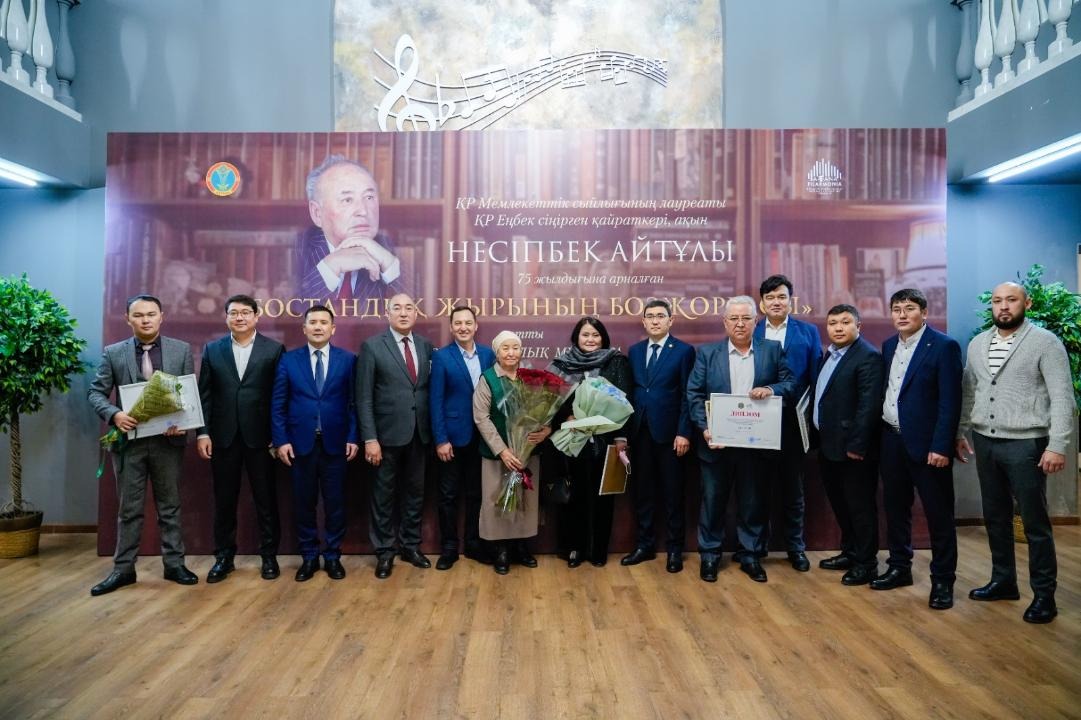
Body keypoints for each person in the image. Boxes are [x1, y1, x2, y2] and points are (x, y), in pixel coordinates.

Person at [956, 282, 1073, 624]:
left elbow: (1062, 396)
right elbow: (969, 390)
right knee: (995, 517)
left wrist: (1057, 444)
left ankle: (1044, 596)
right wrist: (960, 431)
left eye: (1011, 300)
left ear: (1027, 303)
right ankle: (1004, 581)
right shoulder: (978, 344)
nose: (1003, 306)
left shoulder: (1045, 342)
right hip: (985, 441)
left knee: (1034, 523)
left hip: (1027, 444)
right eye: (997, 301)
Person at [88, 294, 198, 596]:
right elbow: (96, 393)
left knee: (170, 507)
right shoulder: (113, 353)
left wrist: (184, 421)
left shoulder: (181, 350)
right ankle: (123, 569)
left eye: (151, 314)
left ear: (162, 316)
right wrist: (115, 414)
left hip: (168, 442)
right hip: (129, 444)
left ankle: (174, 565)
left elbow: (189, 394)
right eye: (138, 315)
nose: (145, 320)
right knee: (129, 509)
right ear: (128, 319)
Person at [687, 296, 794, 584]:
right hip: (716, 443)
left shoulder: (772, 350)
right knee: (713, 501)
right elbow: (694, 394)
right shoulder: (707, 353)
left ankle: (750, 555)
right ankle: (710, 555)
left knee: (753, 502)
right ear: (725, 322)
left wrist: (771, 390)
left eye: (746, 318)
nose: (739, 323)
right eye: (733, 318)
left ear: (755, 322)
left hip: (756, 444)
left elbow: (790, 383)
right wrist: (705, 428)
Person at [873, 289, 962, 610]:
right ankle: (899, 568)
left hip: (928, 447)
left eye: (909, 308)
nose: (901, 314)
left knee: (939, 515)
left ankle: (943, 581)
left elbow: (950, 401)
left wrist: (942, 446)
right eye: (896, 309)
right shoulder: (888, 345)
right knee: (896, 509)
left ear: (924, 312)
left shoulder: (944, 346)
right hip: (891, 440)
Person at [197, 294, 285, 583]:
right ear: (226, 318)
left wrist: (278, 436)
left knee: (266, 500)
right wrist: (203, 432)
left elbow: (280, 397)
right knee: (224, 500)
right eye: (233, 313)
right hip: (223, 437)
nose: (239, 317)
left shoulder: (274, 349)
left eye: (245, 312)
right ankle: (224, 557)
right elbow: (204, 395)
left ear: (256, 316)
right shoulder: (212, 349)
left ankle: (269, 556)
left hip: (262, 438)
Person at [271, 305, 358, 582]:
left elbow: (354, 402)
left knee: (335, 504)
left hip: (336, 444)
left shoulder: (348, 360)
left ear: (333, 328)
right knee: (303, 503)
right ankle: (309, 556)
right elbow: (278, 404)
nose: (318, 327)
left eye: (323, 322)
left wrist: (353, 436)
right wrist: (281, 440)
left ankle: (332, 556)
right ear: (304, 328)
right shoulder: (289, 360)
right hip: (300, 445)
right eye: (313, 322)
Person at [356, 293, 434, 579]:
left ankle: (411, 546)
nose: (403, 313)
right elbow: (363, 397)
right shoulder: (372, 346)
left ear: (416, 313)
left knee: (415, 494)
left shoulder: (425, 345)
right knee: (383, 496)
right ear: (387, 314)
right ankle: (385, 552)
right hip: (385, 437)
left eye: (409, 308)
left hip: (419, 433)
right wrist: (370, 438)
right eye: (397, 308)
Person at [621, 299, 696, 573]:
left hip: (671, 435)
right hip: (640, 432)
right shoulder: (635, 351)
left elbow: (688, 394)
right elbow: (632, 392)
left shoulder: (684, 351)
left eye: (660, 316)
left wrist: (684, 432)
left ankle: (674, 549)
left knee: (673, 494)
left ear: (670, 320)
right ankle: (645, 545)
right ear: (643, 321)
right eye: (650, 316)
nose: (655, 320)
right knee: (643, 493)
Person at [812, 304, 884, 586]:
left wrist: (857, 445)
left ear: (858, 326)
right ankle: (850, 552)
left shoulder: (868, 356)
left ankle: (866, 564)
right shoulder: (830, 354)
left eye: (845, 322)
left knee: (860, 507)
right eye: (833, 323)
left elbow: (869, 406)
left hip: (853, 450)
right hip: (829, 445)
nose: (838, 328)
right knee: (841, 504)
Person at [552, 317, 633, 568]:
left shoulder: (615, 362)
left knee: (602, 497)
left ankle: (598, 550)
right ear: (576, 337)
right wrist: (566, 416)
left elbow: (625, 401)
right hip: (572, 439)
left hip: (605, 439)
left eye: (595, 335)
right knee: (574, 496)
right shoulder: (562, 363)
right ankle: (574, 549)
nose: (590, 339)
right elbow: (550, 401)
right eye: (585, 334)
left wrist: (620, 438)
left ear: (603, 338)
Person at [754, 274, 822, 572]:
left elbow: (816, 377)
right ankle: (756, 547)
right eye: (770, 298)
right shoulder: (752, 330)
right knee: (758, 488)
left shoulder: (808, 332)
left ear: (790, 300)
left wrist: (814, 420)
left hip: (794, 421)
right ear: (762, 303)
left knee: (794, 489)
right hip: (757, 419)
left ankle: (796, 548)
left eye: (781, 297)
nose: (776, 302)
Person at [473, 331, 551, 574]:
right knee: (497, 499)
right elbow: (481, 417)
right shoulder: (488, 379)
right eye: (505, 348)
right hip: (498, 455)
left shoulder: (531, 378)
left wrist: (546, 429)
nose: (511, 353)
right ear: (496, 353)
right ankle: (501, 550)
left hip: (527, 452)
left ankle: (521, 547)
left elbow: (545, 409)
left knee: (525, 500)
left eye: (515, 348)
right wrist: (503, 451)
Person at [429, 305, 496, 569]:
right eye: (458, 323)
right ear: (451, 327)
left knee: (476, 494)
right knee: (448, 495)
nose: (463, 327)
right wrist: (441, 439)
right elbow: (435, 401)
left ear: (476, 326)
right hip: (452, 439)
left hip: (482, 437)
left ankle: (473, 544)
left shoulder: (488, 354)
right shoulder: (442, 357)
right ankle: (449, 548)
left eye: (468, 323)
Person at [295, 155, 403, 301]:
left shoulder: (387, 248)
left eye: (369, 197)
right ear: (317, 213)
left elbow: (421, 308)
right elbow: (290, 309)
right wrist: (330, 268)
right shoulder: (298, 248)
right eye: (347, 200)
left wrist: (391, 268)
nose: (363, 211)